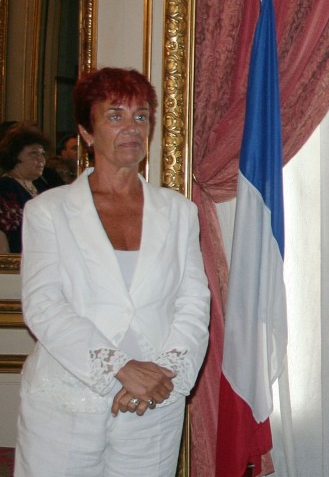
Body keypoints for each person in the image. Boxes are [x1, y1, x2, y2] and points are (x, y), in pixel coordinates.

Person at [15, 68, 210, 476]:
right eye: (115, 116)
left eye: (141, 116)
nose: (132, 128)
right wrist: (121, 369)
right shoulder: (48, 210)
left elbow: (193, 301)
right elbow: (44, 305)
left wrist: (162, 375)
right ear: (87, 131)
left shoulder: (179, 211)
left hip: (155, 400)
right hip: (66, 400)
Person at [0, 125, 54, 253]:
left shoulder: (42, 186)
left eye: (43, 154)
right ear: (15, 156)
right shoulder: (5, 188)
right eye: (34, 153)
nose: (41, 159)